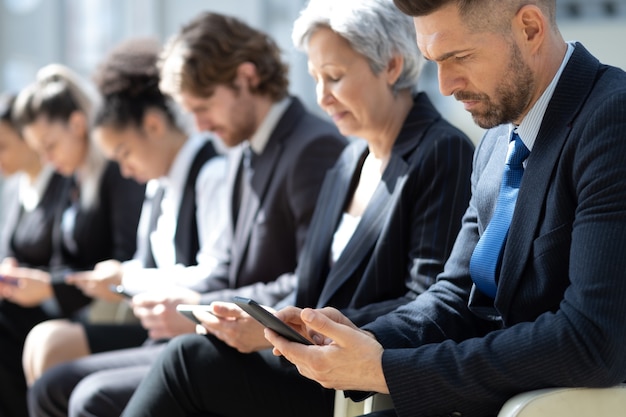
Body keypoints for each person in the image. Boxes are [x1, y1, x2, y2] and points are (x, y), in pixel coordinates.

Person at [261, 1, 626, 416]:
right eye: (434, 60)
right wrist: (359, 338)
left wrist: (386, 369)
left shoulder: (612, 120)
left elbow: (593, 340)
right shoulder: (495, 142)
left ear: (529, 27)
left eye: (459, 57)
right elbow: (456, 297)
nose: (446, 84)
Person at [118, 1, 473, 416]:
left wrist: (300, 328)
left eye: (335, 77)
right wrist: (257, 319)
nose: (322, 97)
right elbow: (309, 283)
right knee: (188, 354)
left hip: (355, 375)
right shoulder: (349, 159)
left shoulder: (441, 150)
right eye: (316, 79)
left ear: (392, 67)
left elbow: (427, 300)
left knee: (186, 361)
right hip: (307, 359)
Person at [28, 12, 347, 417]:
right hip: (227, 340)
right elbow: (227, 269)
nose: (198, 124)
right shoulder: (242, 153)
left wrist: (203, 309)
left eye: (203, 107)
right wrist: (195, 307)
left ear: (246, 78)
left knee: (89, 396)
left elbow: (311, 283)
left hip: (280, 358)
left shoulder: (310, 148)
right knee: (57, 387)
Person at [21, 37, 229, 385]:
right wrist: (118, 277)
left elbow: (216, 275)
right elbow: (146, 264)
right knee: (44, 347)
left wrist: (127, 279)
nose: (126, 170)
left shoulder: (211, 174)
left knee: (53, 356)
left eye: (124, 153)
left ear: (153, 126)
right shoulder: (158, 183)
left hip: (187, 336)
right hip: (158, 328)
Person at [1, 63, 145, 416]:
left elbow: (126, 260)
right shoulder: (74, 178)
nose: (47, 159)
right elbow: (61, 262)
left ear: (78, 125)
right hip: (81, 307)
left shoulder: (117, 171)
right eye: (40, 150)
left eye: (50, 146)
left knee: (42, 343)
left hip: (120, 314)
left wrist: (51, 287)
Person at [0, 93, 72, 417]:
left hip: (51, 307)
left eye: (3, 145)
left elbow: (69, 258)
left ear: (29, 139)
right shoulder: (14, 188)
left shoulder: (65, 183)